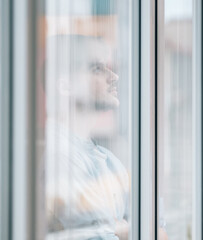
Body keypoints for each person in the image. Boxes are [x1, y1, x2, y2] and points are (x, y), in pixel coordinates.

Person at [44, 35, 130, 240]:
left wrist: (119, 229)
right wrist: (119, 229)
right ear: (65, 85)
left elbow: (153, 227)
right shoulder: (56, 153)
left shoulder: (108, 159)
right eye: (97, 69)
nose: (114, 76)